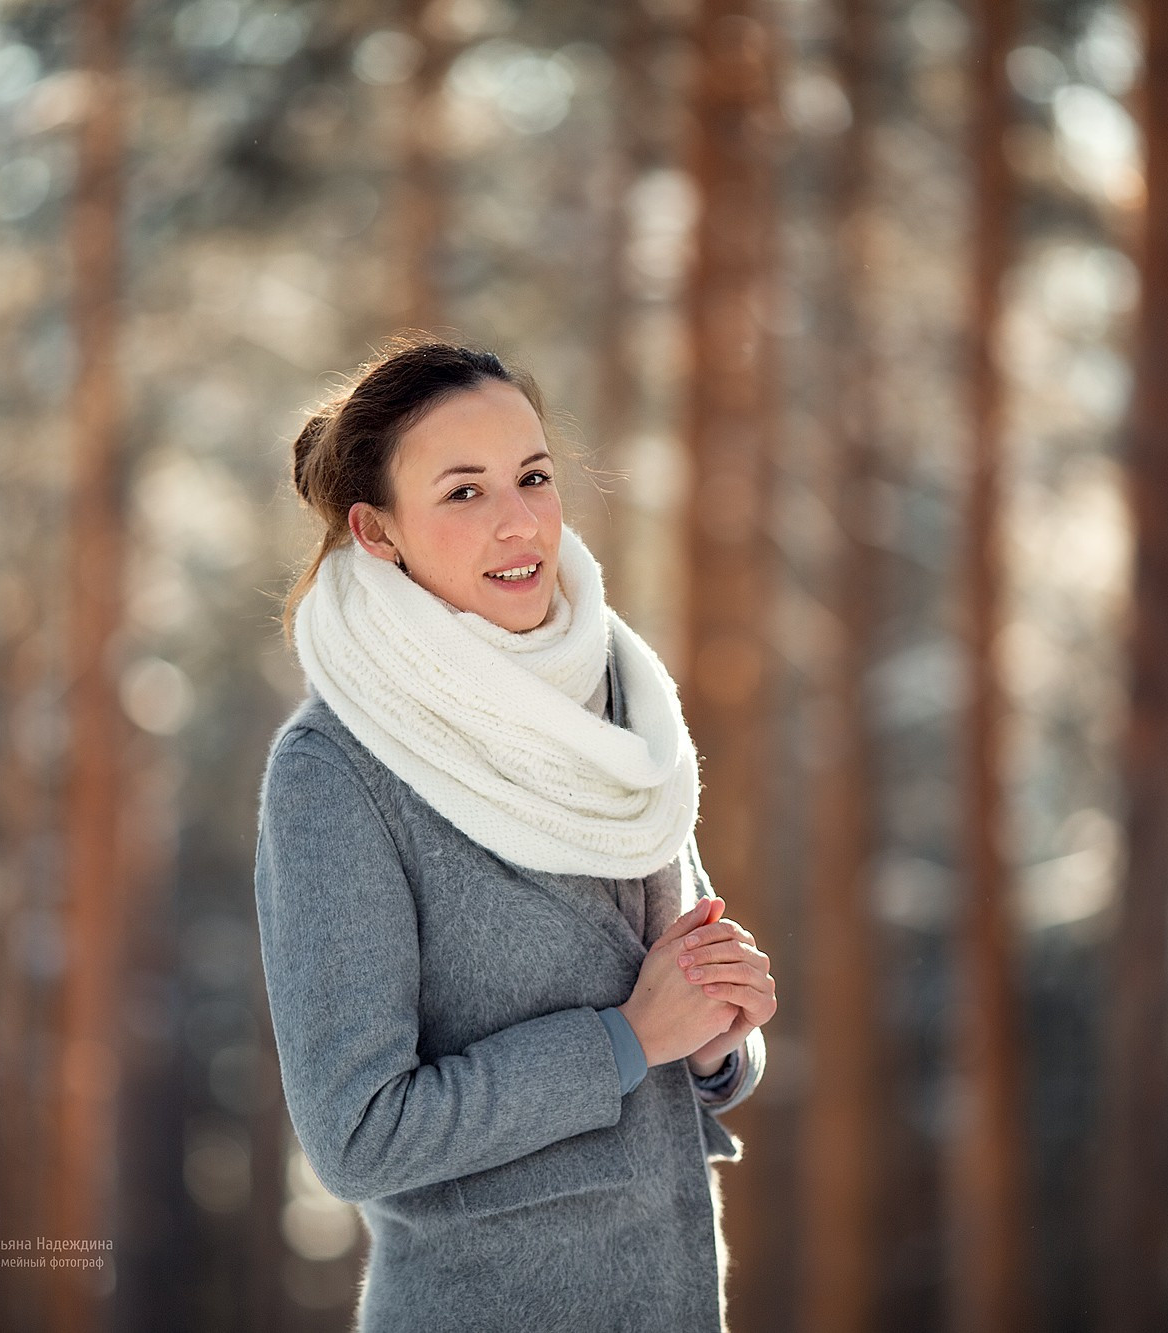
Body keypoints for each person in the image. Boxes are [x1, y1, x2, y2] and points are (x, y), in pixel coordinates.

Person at [253, 336, 778, 1332]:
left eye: (532, 475)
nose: (520, 520)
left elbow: (688, 1047)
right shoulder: (334, 769)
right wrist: (626, 1038)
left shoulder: (619, 701)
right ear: (376, 531)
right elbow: (357, 1134)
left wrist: (716, 1037)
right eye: (462, 492)